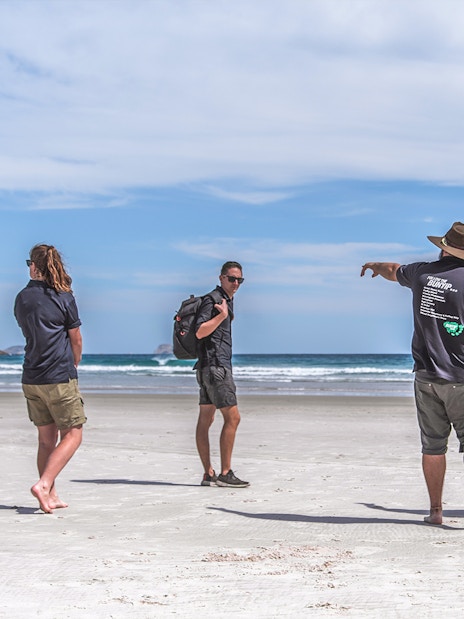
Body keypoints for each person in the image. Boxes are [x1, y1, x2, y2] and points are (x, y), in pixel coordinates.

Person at [361, 221, 464, 525]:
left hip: (427, 377)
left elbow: (392, 269)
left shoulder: (421, 273)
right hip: (461, 377)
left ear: (442, 247)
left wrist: (373, 265)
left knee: (433, 446)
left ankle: (435, 512)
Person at [14, 244, 86, 514]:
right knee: (74, 433)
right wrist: (75, 361)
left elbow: (31, 330)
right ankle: (44, 484)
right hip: (58, 375)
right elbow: (75, 338)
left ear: (34, 266)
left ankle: (51, 494)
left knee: (46, 438)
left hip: (31, 376)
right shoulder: (64, 296)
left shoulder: (22, 298)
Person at [194, 261, 249, 488]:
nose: (235, 283)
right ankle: (225, 473)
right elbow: (199, 332)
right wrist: (221, 316)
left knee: (206, 420)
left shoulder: (226, 300)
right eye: (232, 278)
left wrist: (227, 315)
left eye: (239, 280)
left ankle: (208, 474)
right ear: (221, 278)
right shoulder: (214, 300)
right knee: (233, 418)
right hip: (217, 368)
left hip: (208, 367)